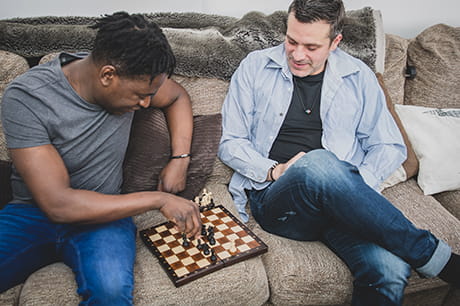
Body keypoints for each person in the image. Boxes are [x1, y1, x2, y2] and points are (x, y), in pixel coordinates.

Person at [218, 0, 459, 305]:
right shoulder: (255, 67)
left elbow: (389, 145)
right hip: (279, 200)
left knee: (390, 269)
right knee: (318, 163)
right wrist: (274, 170)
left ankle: (423, 254)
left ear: (335, 42)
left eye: (311, 46)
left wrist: (354, 188)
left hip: (343, 207)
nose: (297, 54)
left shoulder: (359, 76)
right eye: (291, 41)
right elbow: (230, 142)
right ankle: (435, 257)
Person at [0, 12, 202, 304]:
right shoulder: (27, 96)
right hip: (30, 214)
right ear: (108, 75)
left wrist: (180, 158)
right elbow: (58, 204)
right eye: (140, 96)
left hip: (105, 216)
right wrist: (159, 199)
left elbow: (176, 96)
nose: (146, 104)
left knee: (110, 292)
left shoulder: (132, 76)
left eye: (149, 95)